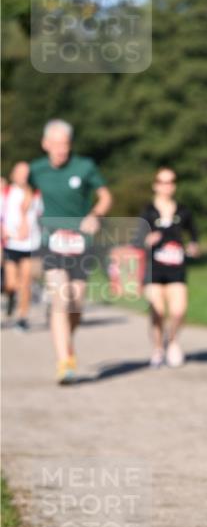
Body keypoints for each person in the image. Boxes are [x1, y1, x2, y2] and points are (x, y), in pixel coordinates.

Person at [29, 120, 112, 384]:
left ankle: (68, 343)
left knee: (76, 304)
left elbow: (106, 196)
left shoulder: (84, 167)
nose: (60, 149)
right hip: (51, 241)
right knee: (60, 300)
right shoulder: (36, 170)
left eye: (65, 144)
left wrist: (96, 215)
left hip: (80, 243)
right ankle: (63, 362)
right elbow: (20, 192)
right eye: (55, 144)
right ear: (45, 144)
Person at [137, 168, 199, 368]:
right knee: (158, 311)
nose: (167, 186)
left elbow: (194, 234)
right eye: (162, 182)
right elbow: (136, 240)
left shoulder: (183, 211)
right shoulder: (147, 211)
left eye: (170, 181)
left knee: (179, 311)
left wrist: (193, 245)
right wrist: (147, 240)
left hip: (176, 268)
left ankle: (172, 341)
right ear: (155, 185)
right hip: (153, 269)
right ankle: (157, 348)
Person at [1, 162, 43, 330]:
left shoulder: (36, 195)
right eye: (20, 173)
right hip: (11, 242)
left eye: (26, 173)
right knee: (11, 283)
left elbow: (41, 216)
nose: (23, 177)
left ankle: (22, 317)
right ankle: (11, 297)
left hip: (30, 243)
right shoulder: (6, 193)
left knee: (26, 281)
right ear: (13, 174)